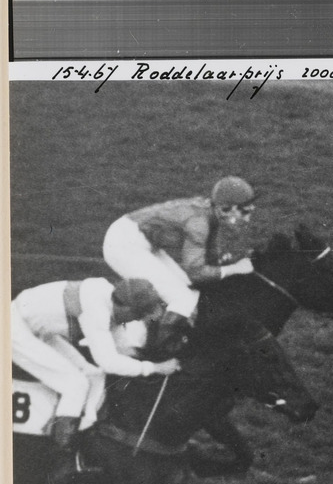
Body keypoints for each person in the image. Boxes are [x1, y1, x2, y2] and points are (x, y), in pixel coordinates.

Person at [11, 277, 181, 452]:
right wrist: (154, 368)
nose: (137, 320)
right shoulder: (96, 310)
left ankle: (83, 427)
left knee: (93, 375)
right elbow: (108, 362)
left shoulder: (109, 300)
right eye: (138, 315)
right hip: (14, 328)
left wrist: (154, 360)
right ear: (126, 307)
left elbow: (119, 347)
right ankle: (60, 450)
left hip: (38, 330)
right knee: (75, 384)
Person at [102, 176, 258, 348]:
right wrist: (235, 268)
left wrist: (229, 264)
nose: (247, 219)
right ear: (225, 209)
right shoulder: (199, 223)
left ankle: (140, 339)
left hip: (137, 239)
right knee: (183, 300)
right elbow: (195, 272)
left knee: (188, 292)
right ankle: (154, 351)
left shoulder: (211, 215)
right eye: (244, 212)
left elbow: (209, 260)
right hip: (123, 244)